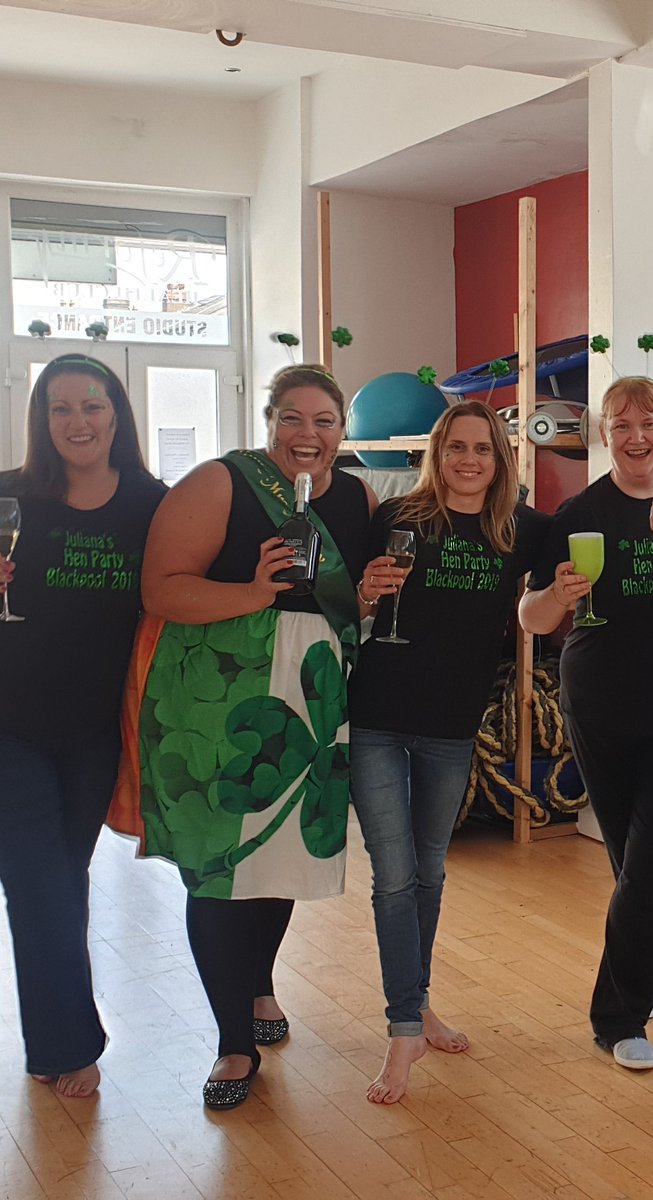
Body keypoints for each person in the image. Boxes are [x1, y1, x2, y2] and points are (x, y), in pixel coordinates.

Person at [137, 364, 389, 1110]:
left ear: (343, 431)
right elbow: (162, 589)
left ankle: (257, 986)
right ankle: (232, 1043)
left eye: (324, 422)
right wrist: (252, 588)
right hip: (221, 696)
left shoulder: (358, 494)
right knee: (222, 867)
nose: (307, 435)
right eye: (293, 418)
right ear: (269, 420)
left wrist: (369, 602)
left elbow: (354, 607)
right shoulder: (219, 484)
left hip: (311, 693)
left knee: (276, 859)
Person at [348, 399, 550, 1104]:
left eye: (483, 450)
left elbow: (595, 541)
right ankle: (405, 1026)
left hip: (451, 728)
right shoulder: (397, 518)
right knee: (393, 875)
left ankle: (418, 999)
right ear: (437, 454)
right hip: (374, 717)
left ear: (501, 460)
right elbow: (350, 603)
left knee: (429, 873)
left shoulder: (520, 530)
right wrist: (366, 597)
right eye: (457, 447)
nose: (469, 461)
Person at [520, 377, 653, 1071]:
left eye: (649, 422)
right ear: (604, 435)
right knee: (635, 859)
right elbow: (534, 619)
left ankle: (617, 1015)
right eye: (621, 424)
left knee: (650, 856)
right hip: (599, 701)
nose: (636, 436)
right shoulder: (577, 512)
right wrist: (555, 596)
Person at [0, 354, 165, 1098]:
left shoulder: (152, 504)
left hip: (98, 728)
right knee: (35, 881)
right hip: (11, 722)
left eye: (92, 406)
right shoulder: (9, 497)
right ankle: (70, 1041)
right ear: (42, 420)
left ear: (116, 415)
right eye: (60, 408)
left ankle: (54, 1034)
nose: (77, 422)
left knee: (64, 879)